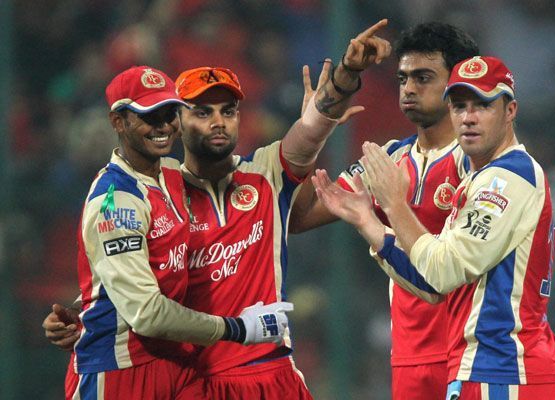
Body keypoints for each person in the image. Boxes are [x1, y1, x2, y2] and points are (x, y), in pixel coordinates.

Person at [44, 20, 391, 399]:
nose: (218, 122)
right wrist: (87, 318)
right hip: (196, 379)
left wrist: (347, 73)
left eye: (228, 111)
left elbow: (312, 125)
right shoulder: (157, 191)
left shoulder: (265, 172)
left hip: (270, 370)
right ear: (180, 121)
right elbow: (133, 278)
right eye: (202, 112)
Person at [312, 55, 555, 399]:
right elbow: (432, 284)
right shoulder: (482, 180)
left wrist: (395, 204)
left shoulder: (507, 178)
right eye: (459, 106)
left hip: (507, 372)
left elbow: (443, 270)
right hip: (483, 370)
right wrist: (367, 220)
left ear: (510, 111)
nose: (468, 117)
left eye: (482, 105)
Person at [66, 65, 293, 400]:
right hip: (117, 372)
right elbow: (146, 313)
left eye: (170, 112)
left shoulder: (171, 177)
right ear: (118, 122)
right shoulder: (114, 203)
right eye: (149, 115)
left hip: (175, 366)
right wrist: (238, 328)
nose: (163, 126)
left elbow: (141, 269)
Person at [290, 22, 478, 399]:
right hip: (407, 359)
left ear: (457, 85)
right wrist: (315, 128)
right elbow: (299, 215)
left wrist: (374, 217)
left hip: (469, 357)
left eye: (423, 77)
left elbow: (449, 273)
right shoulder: (389, 157)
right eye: (403, 78)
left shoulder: (478, 163)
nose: (408, 88)